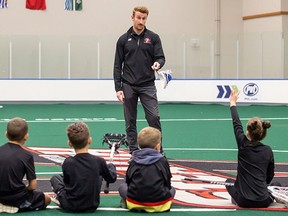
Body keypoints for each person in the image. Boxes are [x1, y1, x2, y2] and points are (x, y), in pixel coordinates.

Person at [113, 6, 165, 154]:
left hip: (148, 85)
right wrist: (118, 88)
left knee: (154, 117)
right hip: (128, 85)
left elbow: (160, 57)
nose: (141, 21)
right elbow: (117, 65)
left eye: (144, 18)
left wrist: (158, 63)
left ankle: (158, 150)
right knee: (130, 122)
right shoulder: (123, 40)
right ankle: (134, 151)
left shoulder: (153, 38)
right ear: (133, 18)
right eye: (138, 18)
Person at [50, 122, 117, 213]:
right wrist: (111, 167)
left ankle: (59, 197)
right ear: (90, 140)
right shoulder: (99, 161)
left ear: (69, 143)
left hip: (70, 205)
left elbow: (67, 183)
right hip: (92, 206)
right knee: (99, 176)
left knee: (55, 178)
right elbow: (112, 178)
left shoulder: (68, 161)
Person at [225, 90, 275, 208]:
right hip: (263, 200)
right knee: (275, 184)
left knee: (228, 182)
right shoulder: (268, 150)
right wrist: (262, 185)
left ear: (247, 132)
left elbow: (236, 123)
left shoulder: (243, 145)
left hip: (243, 200)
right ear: (262, 134)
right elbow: (270, 175)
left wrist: (233, 102)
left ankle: (235, 197)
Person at [118, 126, 175, 212]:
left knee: (122, 186)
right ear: (158, 146)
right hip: (160, 204)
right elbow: (167, 182)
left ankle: (128, 202)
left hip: (135, 202)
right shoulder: (163, 161)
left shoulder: (134, 161)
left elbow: (128, 181)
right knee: (173, 189)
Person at [0, 117, 51, 213]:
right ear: (26, 136)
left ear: (6, 134)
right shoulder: (27, 155)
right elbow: (32, 186)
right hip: (17, 198)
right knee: (47, 198)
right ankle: (13, 205)